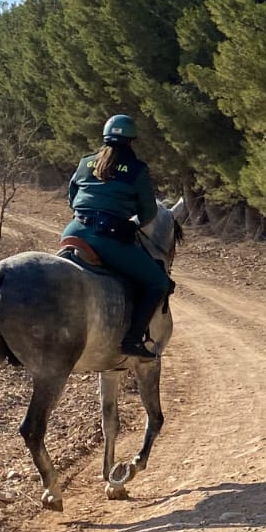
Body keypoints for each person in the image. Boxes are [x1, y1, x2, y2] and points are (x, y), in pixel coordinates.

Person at [64, 114, 173, 359]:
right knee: (158, 282)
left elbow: (71, 197)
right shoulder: (136, 169)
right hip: (106, 238)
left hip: (73, 231)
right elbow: (149, 212)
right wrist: (131, 222)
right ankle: (133, 340)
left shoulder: (86, 162)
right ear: (131, 141)